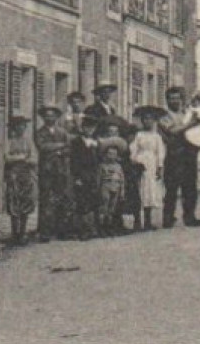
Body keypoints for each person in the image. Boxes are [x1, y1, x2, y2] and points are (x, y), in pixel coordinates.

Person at [158, 86, 200, 227]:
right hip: (173, 154)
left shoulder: (186, 113)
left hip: (189, 154)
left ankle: (190, 216)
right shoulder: (164, 117)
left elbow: (197, 130)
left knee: (190, 187)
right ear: (167, 101)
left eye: (177, 98)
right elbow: (172, 131)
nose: (175, 101)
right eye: (172, 99)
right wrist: (191, 124)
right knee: (171, 187)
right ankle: (168, 217)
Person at [34, 104, 72, 242]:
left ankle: (61, 230)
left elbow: (69, 148)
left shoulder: (62, 132)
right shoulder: (39, 132)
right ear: (43, 117)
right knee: (46, 200)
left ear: (57, 117)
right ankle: (45, 231)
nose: (50, 118)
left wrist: (57, 150)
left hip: (61, 170)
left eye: (52, 115)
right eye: (47, 116)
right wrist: (60, 147)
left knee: (61, 198)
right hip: (46, 170)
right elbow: (42, 147)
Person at [66, 91, 101, 240]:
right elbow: (75, 161)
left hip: (93, 174)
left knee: (93, 200)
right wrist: (77, 177)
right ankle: (81, 230)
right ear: (83, 128)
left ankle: (93, 228)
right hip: (82, 174)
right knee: (81, 201)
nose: (89, 130)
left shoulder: (96, 142)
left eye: (92, 128)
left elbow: (99, 159)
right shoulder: (77, 143)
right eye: (87, 128)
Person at [129, 105, 166, 232]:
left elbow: (160, 152)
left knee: (149, 191)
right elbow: (133, 149)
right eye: (145, 119)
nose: (147, 121)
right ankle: (137, 221)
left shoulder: (157, 136)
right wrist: (134, 160)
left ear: (154, 121)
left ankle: (148, 221)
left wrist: (160, 167)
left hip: (151, 164)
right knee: (139, 191)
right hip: (141, 163)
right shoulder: (139, 135)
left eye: (150, 119)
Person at [4, 114, 37, 246]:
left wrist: (20, 158)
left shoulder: (29, 142)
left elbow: (34, 159)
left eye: (23, 126)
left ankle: (23, 232)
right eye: (18, 126)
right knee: (13, 201)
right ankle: (14, 233)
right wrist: (23, 157)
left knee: (26, 202)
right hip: (13, 175)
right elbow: (6, 158)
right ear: (13, 128)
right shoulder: (9, 141)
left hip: (27, 174)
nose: (21, 129)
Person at [95, 135, 129, 238]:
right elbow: (98, 179)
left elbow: (122, 180)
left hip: (116, 187)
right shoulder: (102, 166)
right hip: (105, 186)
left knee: (112, 208)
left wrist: (122, 191)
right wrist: (98, 189)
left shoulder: (118, 166)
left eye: (114, 154)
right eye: (109, 154)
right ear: (105, 155)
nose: (111, 156)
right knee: (104, 207)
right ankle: (102, 227)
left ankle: (109, 226)